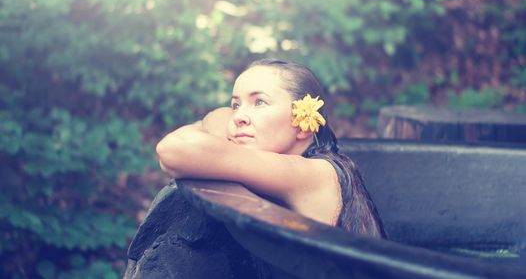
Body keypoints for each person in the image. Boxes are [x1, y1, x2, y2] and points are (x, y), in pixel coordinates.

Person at [156, 58, 385, 237]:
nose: (239, 117)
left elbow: (174, 150)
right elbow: (218, 116)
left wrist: (218, 126)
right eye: (236, 105)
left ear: (302, 125)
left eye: (260, 102)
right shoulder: (284, 162)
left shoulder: (313, 173)